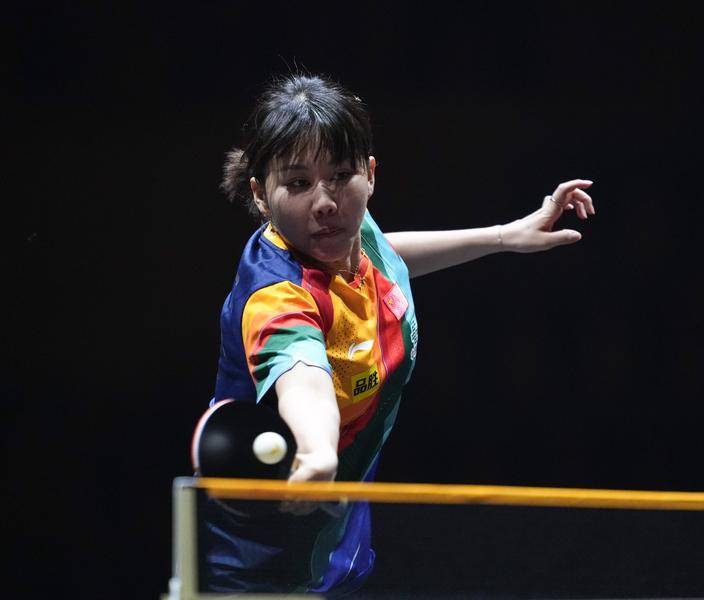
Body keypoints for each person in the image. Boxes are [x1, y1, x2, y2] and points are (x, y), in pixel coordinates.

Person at [201, 72, 595, 597]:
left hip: (337, 523)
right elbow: (302, 373)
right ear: (260, 194)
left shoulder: (341, 230)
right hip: (269, 558)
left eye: (341, 175)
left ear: (369, 173)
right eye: (297, 184)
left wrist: (506, 237)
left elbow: (381, 257)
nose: (324, 200)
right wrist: (317, 451)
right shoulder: (275, 296)